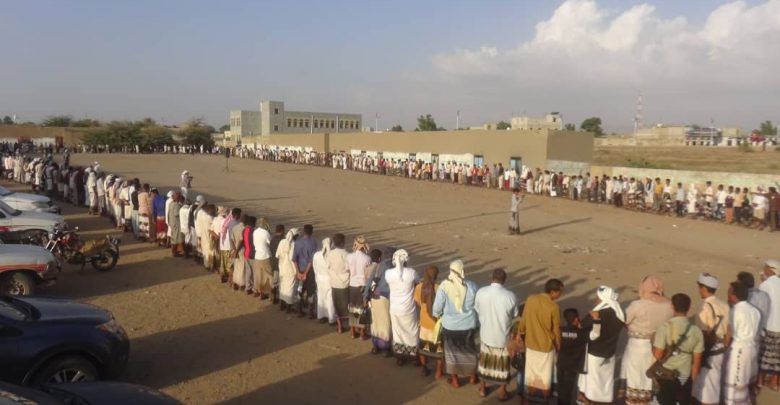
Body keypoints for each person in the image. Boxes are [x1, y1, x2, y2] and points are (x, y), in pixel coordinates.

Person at [620, 276, 674, 405]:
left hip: (637, 347)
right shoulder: (669, 305)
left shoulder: (638, 304)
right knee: (651, 379)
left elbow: (624, 320)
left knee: (635, 379)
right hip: (659, 347)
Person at [432, 259, 479, 388]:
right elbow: (477, 305)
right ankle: (472, 376)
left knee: (452, 354)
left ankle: (455, 380)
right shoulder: (472, 286)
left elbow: (436, 308)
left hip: (450, 326)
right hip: (468, 325)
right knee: (470, 351)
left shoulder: (444, 286)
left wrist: (437, 315)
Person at [652, 293, 704, 405]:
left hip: (666, 375)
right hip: (684, 376)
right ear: (688, 308)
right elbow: (696, 363)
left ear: (672, 306)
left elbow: (658, 355)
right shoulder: (696, 331)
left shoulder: (664, 327)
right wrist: (691, 383)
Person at [474, 269, 518, 400]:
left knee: (484, 362)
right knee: (503, 365)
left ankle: (482, 388)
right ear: (504, 280)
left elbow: (477, 309)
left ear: (492, 277)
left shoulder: (481, 292)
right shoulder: (510, 296)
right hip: (502, 337)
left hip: (486, 334)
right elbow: (515, 314)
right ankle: (502, 392)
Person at [517, 278, 563, 402]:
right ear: (552, 292)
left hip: (531, 344)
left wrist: (520, 332)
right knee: (545, 376)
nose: (560, 295)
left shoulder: (531, 299)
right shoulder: (554, 307)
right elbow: (556, 329)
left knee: (530, 375)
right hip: (546, 347)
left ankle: (527, 399)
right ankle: (543, 399)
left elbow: (524, 319)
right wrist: (558, 345)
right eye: (560, 292)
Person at [578, 286, 625, 405]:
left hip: (595, 353)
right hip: (610, 353)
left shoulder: (597, 313)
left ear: (603, 299)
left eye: (598, 297)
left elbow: (581, 326)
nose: (596, 299)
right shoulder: (619, 314)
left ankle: (591, 401)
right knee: (606, 381)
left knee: (593, 382)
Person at [692, 273, 730, 405]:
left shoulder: (703, 307)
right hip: (721, 348)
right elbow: (729, 329)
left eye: (699, 287)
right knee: (714, 381)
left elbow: (702, 333)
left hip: (708, 350)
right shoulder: (724, 305)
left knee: (707, 387)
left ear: (703, 288)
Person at [723, 281, 761, 404]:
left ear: (735, 296)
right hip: (751, 348)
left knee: (734, 379)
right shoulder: (755, 311)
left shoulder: (735, 311)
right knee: (744, 378)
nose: (728, 295)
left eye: (729, 293)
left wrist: (724, 346)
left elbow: (729, 333)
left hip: (739, 350)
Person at [385, 249, 420, 365]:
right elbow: (418, 283)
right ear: (406, 260)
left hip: (395, 308)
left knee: (398, 332)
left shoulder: (388, 273)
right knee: (412, 331)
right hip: (408, 308)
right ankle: (413, 356)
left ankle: (400, 357)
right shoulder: (411, 272)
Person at [365, 247, 396, 356]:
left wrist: (365, 297)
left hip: (374, 297)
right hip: (384, 298)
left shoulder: (379, 266)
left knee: (376, 323)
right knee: (385, 323)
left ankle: (376, 346)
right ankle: (385, 348)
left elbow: (370, 282)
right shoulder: (393, 267)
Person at [414, 265, 443, 378]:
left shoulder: (419, 287)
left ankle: (424, 368)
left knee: (423, 347)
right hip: (436, 324)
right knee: (439, 349)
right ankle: (438, 372)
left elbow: (418, 303)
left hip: (424, 323)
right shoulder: (439, 288)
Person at [558, 308, 588, 405]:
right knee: (568, 390)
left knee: (560, 389)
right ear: (575, 319)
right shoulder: (582, 333)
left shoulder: (560, 330)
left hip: (560, 364)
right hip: (572, 366)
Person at [759, 259, 780, 391]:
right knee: (777, 356)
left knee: (763, 354)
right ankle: (774, 382)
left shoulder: (766, 285)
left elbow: (760, 304)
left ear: (770, 270)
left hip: (768, 325)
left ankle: (760, 381)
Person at [346, 236, 371, 339]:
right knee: (362, 309)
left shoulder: (349, 256)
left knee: (352, 308)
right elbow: (368, 274)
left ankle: (352, 332)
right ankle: (362, 333)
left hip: (352, 284)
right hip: (362, 285)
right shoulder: (367, 258)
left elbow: (347, 270)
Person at [326, 233, 350, 334]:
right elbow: (348, 268)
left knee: (336, 305)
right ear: (342, 243)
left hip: (334, 283)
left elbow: (328, 266)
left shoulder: (330, 254)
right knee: (345, 306)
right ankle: (347, 325)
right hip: (344, 283)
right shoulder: (346, 254)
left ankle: (340, 326)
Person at [292, 224, 317, 318]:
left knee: (300, 290)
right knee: (311, 291)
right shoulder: (313, 242)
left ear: (304, 231)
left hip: (300, 269)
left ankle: (299, 310)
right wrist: (306, 273)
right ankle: (310, 312)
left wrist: (298, 272)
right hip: (309, 271)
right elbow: (311, 260)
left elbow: (294, 259)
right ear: (311, 232)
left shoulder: (297, 242)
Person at [312, 237, 336, 324]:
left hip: (320, 279)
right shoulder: (332, 255)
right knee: (330, 299)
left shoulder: (316, 255)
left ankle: (321, 316)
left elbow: (314, 267)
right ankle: (331, 318)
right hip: (329, 279)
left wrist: (317, 277)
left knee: (321, 298)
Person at [276, 228, 300, 311]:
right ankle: (288, 308)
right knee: (290, 288)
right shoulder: (294, 244)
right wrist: (297, 271)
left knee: (282, 287)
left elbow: (277, 255)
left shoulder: (282, 242)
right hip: (290, 269)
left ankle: (282, 305)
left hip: (282, 268)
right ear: (295, 236)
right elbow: (293, 259)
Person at [218, 208, 240, 285]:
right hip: (229, 246)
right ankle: (231, 281)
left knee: (223, 264)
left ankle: (222, 278)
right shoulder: (234, 223)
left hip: (222, 246)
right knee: (231, 265)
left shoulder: (223, 222)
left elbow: (219, 233)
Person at [270, 225, 285, 304]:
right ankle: (278, 298)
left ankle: (273, 297)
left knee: (275, 281)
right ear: (282, 231)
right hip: (281, 264)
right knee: (281, 282)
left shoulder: (272, 239)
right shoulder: (283, 240)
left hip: (274, 262)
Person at [166, 192, 184, 257]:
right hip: (176, 223)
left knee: (174, 237)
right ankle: (174, 252)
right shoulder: (176, 205)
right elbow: (177, 214)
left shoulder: (171, 203)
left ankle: (175, 251)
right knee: (176, 238)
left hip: (172, 222)